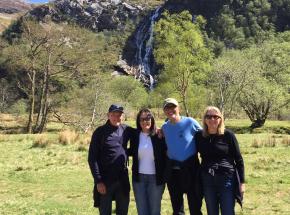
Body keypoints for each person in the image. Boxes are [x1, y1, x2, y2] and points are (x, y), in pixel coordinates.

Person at [196, 106, 245, 215]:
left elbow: (239, 160)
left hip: (226, 179)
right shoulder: (199, 136)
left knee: (227, 211)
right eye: (208, 116)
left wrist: (242, 183)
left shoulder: (228, 135)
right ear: (204, 119)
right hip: (207, 179)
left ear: (220, 119)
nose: (212, 119)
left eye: (215, 116)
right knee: (212, 211)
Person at [161, 98, 203, 215]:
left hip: (191, 168)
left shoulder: (190, 122)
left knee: (195, 206)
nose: (170, 110)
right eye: (167, 108)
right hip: (173, 171)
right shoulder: (165, 127)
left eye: (172, 107)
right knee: (177, 208)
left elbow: (205, 136)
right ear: (164, 111)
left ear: (179, 108)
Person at [88, 104, 131, 215]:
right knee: (105, 212)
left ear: (123, 116)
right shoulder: (100, 132)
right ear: (108, 115)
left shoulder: (126, 130)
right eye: (113, 114)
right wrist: (98, 181)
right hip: (105, 180)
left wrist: (158, 130)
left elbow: (143, 132)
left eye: (119, 114)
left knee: (123, 211)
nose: (116, 117)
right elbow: (92, 158)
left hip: (122, 179)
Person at [129, 108, 167, 215]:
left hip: (156, 179)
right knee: (142, 210)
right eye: (142, 119)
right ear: (138, 121)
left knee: (154, 211)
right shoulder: (135, 135)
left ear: (152, 119)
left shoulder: (159, 135)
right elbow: (130, 150)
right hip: (138, 179)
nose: (145, 121)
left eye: (148, 118)